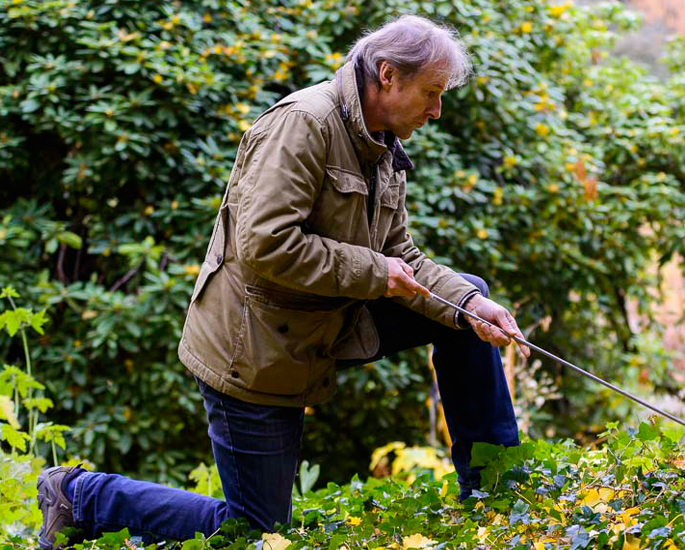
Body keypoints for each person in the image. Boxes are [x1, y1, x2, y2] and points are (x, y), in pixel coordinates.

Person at [36, 15, 528, 549]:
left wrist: (469, 305)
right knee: (255, 532)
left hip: (326, 318)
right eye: (432, 93)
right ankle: (80, 495)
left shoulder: (381, 143)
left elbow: (399, 254)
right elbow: (265, 244)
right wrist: (372, 272)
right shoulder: (303, 124)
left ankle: (494, 494)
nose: (436, 110)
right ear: (387, 75)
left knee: (466, 301)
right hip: (254, 345)